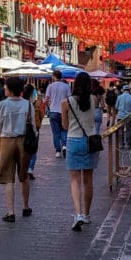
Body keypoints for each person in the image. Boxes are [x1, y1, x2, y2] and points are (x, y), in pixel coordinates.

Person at [0, 76, 33, 222]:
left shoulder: (2, 105)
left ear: (9, 89)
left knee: (9, 178)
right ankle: (26, 207)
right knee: (24, 175)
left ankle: (10, 211)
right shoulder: (27, 105)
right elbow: (33, 125)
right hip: (23, 140)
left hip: (6, 140)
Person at [61, 71, 98, 231]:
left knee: (75, 179)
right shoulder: (94, 99)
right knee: (88, 180)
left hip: (73, 140)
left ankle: (78, 214)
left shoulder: (66, 102)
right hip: (90, 141)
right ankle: (87, 214)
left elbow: (64, 126)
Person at [44, 69, 71, 157]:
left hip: (53, 111)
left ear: (54, 76)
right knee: (64, 129)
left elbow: (46, 99)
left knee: (55, 132)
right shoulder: (66, 86)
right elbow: (69, 99)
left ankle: (58, 151)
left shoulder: (50, 86)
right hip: (64, 112)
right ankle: (64, 145)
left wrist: (48, 106)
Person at [23, 83, 44, 179]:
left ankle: (24, 168)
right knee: (33, 149)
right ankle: (30, 168)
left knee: (23, 149)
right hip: (33, 130)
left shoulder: (21, 103)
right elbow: (41, 115)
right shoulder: (35, 104)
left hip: (21, 130)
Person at [115, 83, 131, 147]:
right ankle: (129, 143)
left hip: (120, 116)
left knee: (121, 131)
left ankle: (121, 144)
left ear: (123, 90)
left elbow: (116, 107)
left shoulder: (119, 97)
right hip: (129, 116)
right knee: (129, 130)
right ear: (129, 90)